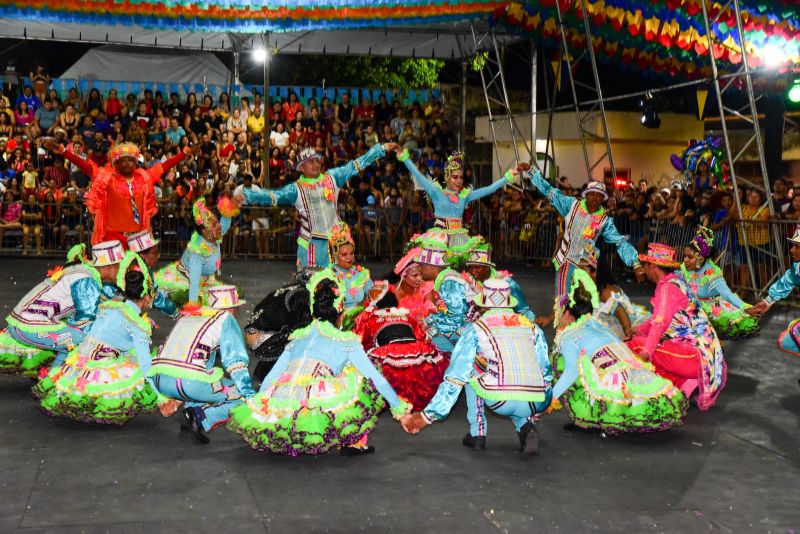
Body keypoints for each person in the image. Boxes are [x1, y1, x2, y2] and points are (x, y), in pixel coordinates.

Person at [228, 272, 411, 456]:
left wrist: (259, 410)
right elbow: (376, 379)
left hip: (283, 404)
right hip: (315, 407)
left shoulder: (296, 338)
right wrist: (399, 408)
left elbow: (271, 377)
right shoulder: (347, 342)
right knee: (359, 373)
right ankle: (353, 442)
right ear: (341, 313)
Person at [401, 279, 553, 455]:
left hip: (501, 400)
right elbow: (546, 372)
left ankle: (478, 433)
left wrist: (427, 416)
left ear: (484, 305)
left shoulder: (477, 329)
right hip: (536, 402)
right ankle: (527, 425)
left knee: (472, 368)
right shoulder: (532, 327)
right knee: (522, 371)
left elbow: (455, 377)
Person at [35, 257, 177, 424]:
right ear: (147, 297)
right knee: (147, 367)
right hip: (101, 366)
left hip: (77, 362)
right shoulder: (136, 324)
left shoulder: (110, 305)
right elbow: (145, 367)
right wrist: (161, 398)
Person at [550, 278, 688, 434]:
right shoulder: (597, 324)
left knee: (559, 360)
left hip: (616, 382)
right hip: (637, 373)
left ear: (567, 313)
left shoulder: (570, 337)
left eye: (558, 311)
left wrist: (549, 398)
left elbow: (571, 372)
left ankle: (592, 416)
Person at [517, 163, 644, 324]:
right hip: (566, 261)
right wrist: (531, 171)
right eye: (592, 194)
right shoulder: (571, 205)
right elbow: (549, 190)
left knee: (585, 305)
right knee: (562, 300)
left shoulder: (604, 221)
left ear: (603, 199)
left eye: (599, 196)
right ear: (586, 195)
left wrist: (636, 264)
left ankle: (582, 337)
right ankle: (560, 341)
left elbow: (619, 241)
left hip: (587, 267)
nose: (595, 198)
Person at [240, 143, 398, 269]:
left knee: (340, 291)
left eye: (317, 160)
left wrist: (381, 149)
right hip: (310, 247)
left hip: (337, 244)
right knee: (310, 291)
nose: (316, 164)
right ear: (301, 168)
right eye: (310, 162)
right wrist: (247, 196)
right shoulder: (296, 188)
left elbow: (357, 164)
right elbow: (272, 196)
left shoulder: (333, 177)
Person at [1, 241, 124, 377]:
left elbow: (101, 301)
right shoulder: (87, 280)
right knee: (84, 342)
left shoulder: (85, 272)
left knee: (72, 340)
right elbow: (85, 323)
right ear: (109, 267)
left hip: (25, 323)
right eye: (120, 267)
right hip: (30, 326)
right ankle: (57, 383)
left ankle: (53, 381)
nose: (122, 272)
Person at [626, 243, 726, 411]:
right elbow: (658, 320)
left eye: (645, 265)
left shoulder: (667, 288)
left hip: (695, 357)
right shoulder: (677, 281)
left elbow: (659, 324)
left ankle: (662, 390)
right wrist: (639, 330)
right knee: (643, 340)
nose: (643, 269)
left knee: (635, 345)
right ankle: (682, 383)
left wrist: (645, 352)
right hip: (707, 355)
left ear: (653, 266)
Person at [150, 285, 255, 444]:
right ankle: (200, 416)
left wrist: (176, 398)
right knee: (240, 396)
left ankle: (188, 411)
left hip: (160, 381)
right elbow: (235, 362)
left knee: (207, 373)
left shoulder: (190, 315)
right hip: (188, 383)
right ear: (231, 308)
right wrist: (250, 395)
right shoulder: (225, 318)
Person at [48, 140, 191, 245]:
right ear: (116, 163)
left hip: (137, 237)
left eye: (131, 160)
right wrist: (63, 151)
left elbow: (165, 166)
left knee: (137, 280)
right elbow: (86, 167)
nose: (128, 163)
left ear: (136, 163)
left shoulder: (145, 177)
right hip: (113, 237)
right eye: (124, 160)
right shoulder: (108, 178)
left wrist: (184, 154)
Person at [396, 148, 510, 265]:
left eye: (461, 177)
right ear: (447, 177)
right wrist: (404, 158)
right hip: (440, 236)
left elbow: (487, 189)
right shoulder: (436, 192)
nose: (459, 181)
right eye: (455, 177)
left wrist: (507, 177)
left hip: (460, 238)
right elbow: (418, 175)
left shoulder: (463, 196)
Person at [354, 293, 448, 412]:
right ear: (396, 304)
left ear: (377, 305)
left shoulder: (371, 319)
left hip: (388, 354)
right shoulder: (407, 317)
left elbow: (361, 341)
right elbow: (421, 337)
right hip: (416, 352)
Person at [154, 197, 238, 307]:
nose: (219, 226)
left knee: (229, 297)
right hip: (184, 281)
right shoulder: (197, 253)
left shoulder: (213, 235)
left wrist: (228, 208)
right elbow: (194, 282)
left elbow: (225, 223)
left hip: (204, 280)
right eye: (214, 225)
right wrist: (192, 305)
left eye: (217, 222)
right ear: (204, 231)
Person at [679, 226, 759, 339]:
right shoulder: (686, 268)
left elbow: (727, 294)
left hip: (712, 310)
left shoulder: (712, 273)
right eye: (685, 256)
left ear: (701, 259)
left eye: (689, 257)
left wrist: (745, 307)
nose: (685, 260)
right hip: (693, 305)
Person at [244, 270, 314, 382]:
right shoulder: (303, 297)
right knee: (302, 336)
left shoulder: (297, 288)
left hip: (255, 331)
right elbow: (299, 331)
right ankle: (274, 377)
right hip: (260, 338)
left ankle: (264, 372)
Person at [747, 227, 800, 357]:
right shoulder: (798, 268)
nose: (792, 250)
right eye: (793, 246)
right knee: (788, 341)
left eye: (797, 246)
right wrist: (768, 301)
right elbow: (787, 281)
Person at [463, 244, 535, 322]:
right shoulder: (468, 281)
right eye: (470, 267)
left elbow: (523, 310)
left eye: (477, 267)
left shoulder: (506, 283)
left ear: (487, 267)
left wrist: (531, 325)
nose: (473, 271)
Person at [326, 222, 373, 329]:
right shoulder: (329, 275)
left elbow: (374, 295)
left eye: (351, 253)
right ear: (335, 255)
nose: (349, 258)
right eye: (344, 254)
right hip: (336, 323)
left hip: (360, 320)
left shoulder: (361, 273)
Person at [126, 230, 178, 317]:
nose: (159, 256)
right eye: (155, 253)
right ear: (143, 256)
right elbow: (158, 300)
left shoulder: (139, 270)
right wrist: (177, 311)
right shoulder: (139, 276)